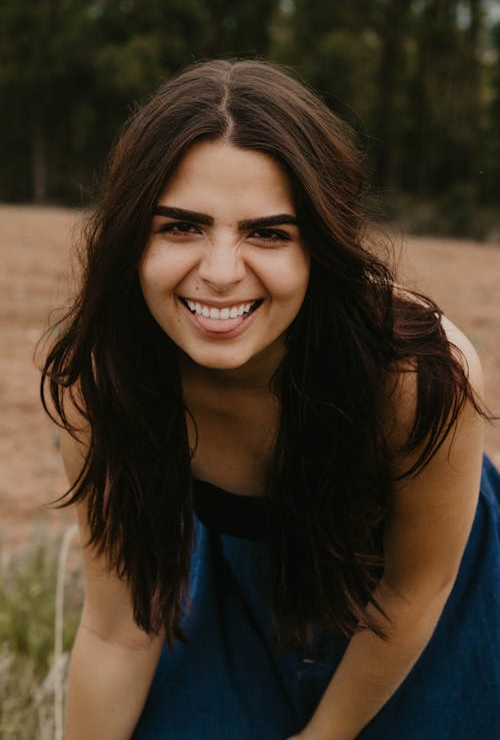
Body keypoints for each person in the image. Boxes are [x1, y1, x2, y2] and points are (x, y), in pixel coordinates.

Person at [41, 59, 499, 740]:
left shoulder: (421, 376)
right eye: (181, 227)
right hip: (231, 602)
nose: (222, 273)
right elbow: (121, 628)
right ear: (132, 236)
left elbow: (413, 594)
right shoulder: (106, 379)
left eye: (268, 232)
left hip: (426, 610)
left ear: (321, 246)